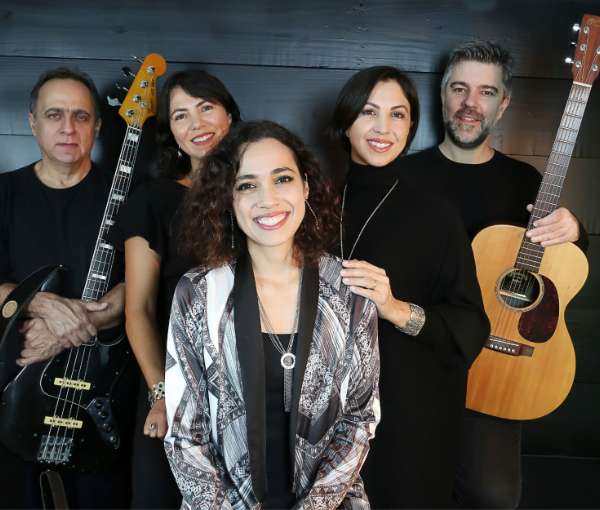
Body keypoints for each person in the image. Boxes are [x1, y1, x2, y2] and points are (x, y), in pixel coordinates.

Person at [399, 41, 588, 509]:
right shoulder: (403, 177)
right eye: (459, 88)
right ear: (442, 94)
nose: (470, 103)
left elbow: (558, 263)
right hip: (417, 359)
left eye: (486, 92)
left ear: (503, 104)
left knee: (495, 495)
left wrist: (576, 230)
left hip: (496, 364)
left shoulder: (526, 183)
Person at [163, 120, 380, 508]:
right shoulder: (198, 292)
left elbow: (359, 420)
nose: (268, 199)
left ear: (306, 186)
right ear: (228, 199)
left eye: (282, 179)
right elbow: (184, 434)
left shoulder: (348, 291)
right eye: (247, 185)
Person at [329, 66, 490, 508]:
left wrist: (395, 308)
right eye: (369, 112)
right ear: (345, 123)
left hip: (410, 417)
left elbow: (471, 325)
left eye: (397, 115)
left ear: (411, 127)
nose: (383, 128)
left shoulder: (437, 215)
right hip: (325, 413)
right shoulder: (312, 205)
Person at [0, 67, 132, 508]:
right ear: (33, 123)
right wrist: (41, 304)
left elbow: (141, 287)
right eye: (54, 114)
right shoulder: (4, 193)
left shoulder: (130, 197)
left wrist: (63, 331)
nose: (68, 128)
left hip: (100, 396)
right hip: (15, 387)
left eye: (81, 116)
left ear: (97, 126)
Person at [112, 69, 241, 508]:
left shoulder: (259, 197)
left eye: (206, 108)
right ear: (171, 131)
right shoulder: (152, 200)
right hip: (172, 388)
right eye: (181, 115)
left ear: (229, 115)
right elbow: (139, 310)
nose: (196, 124)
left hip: (247, 386)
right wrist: (162, 395)